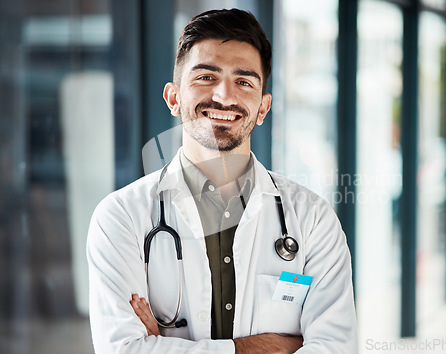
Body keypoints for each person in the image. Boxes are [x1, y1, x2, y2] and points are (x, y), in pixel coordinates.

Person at [87, 8, 357, 353]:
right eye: (206, 77)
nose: (225, 96)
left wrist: (163, 345)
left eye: (244, 82)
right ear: (173, 97)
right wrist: (274, 346)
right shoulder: (121, 216)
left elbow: (336, 347)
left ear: (263, 108)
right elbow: (123, 350)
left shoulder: (312, 219)